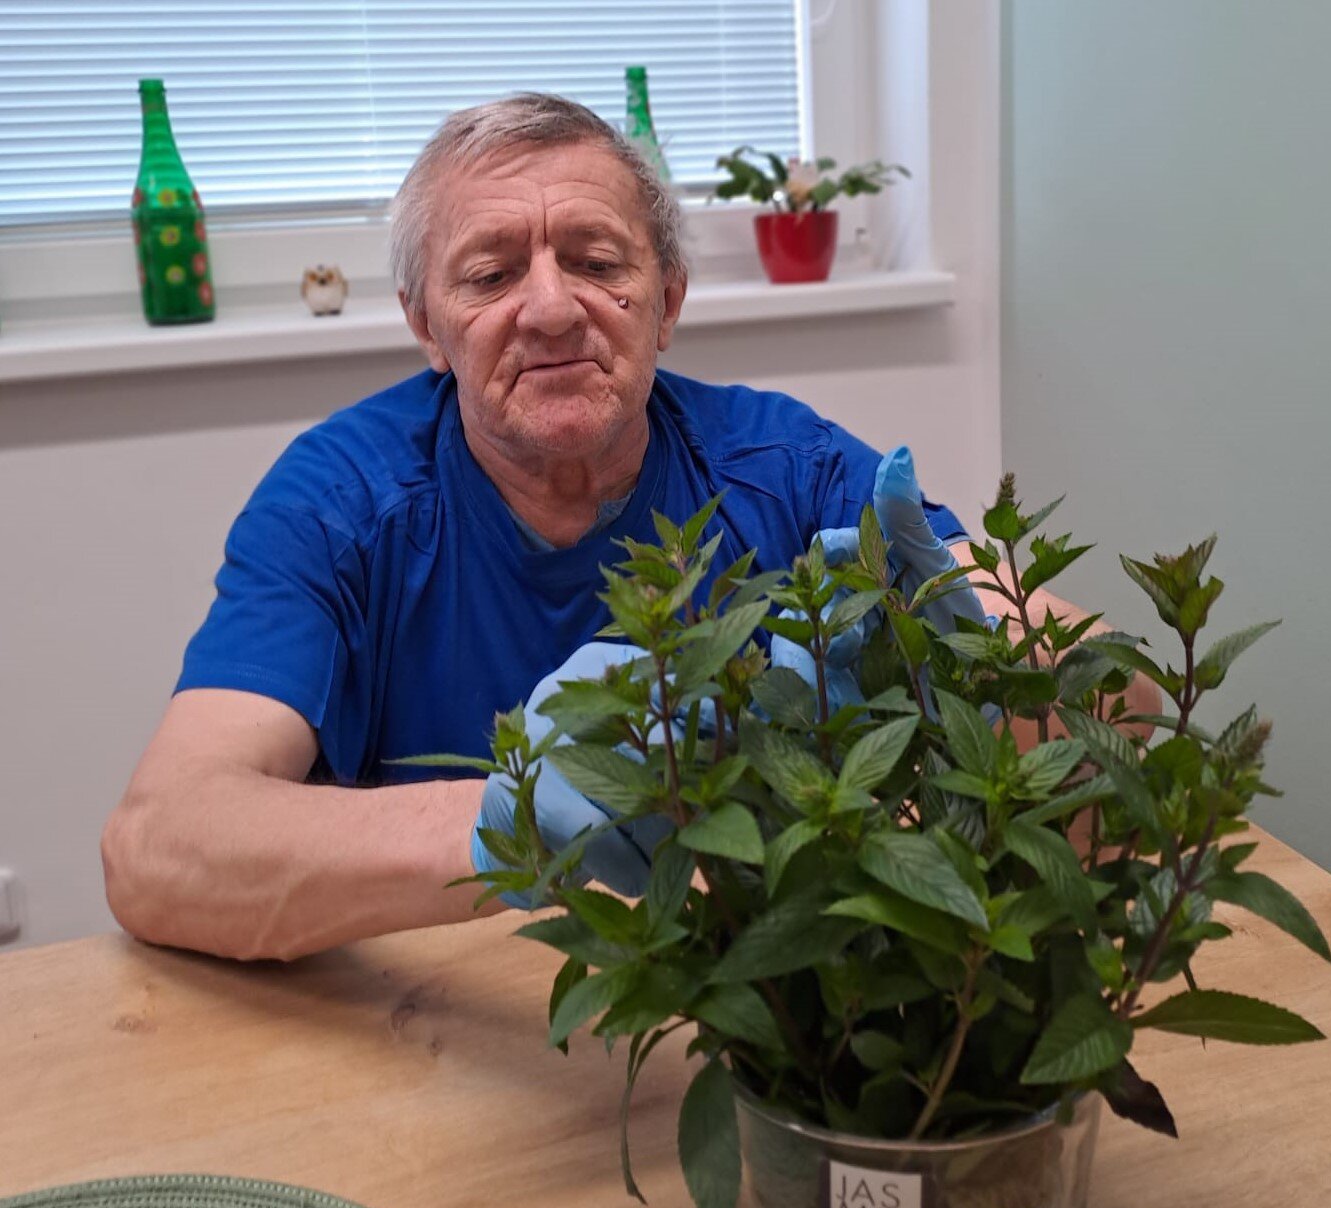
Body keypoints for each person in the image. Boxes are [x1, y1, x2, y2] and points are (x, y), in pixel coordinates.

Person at [102, 92, 1153, 963]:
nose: (552, 308)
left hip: (744, 1012)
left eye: (598, 262)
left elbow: (1125, 712)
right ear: (427, 325)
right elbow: (158, 847)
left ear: (668, 301)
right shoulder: (340, 503)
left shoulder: (786, 471)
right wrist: (512, 823)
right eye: (491, 274)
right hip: (442, 1035)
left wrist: (999, 665)